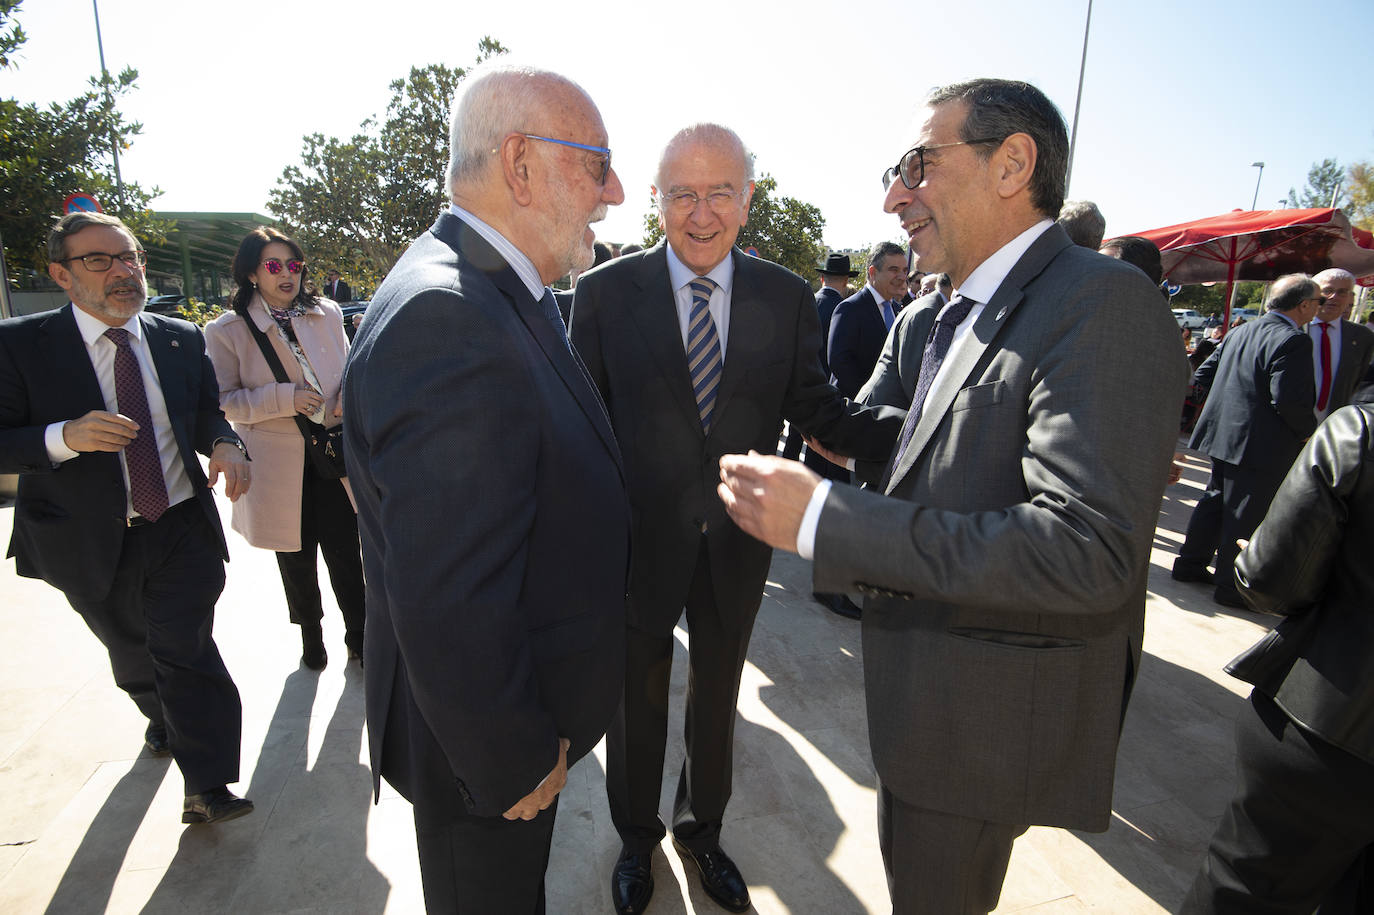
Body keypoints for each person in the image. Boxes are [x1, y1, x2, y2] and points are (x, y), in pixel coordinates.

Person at [717, 78, 1185, 913]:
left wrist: (825, 516)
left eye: (918, 165)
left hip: (980, 721)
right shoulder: (951, 311)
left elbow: (1088, 549)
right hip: (924, 696)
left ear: (1013, 164)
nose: (896, 196)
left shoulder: (1101, 303)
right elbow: (945, 443)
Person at [569, 122, 902, 915]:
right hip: (636, 546)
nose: (702, 211)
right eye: (682, 192)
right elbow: (576, 423)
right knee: (637, 702)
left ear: (748, 199)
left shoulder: (787, 298)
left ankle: (702, 829)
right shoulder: (606, 294)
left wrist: (917, 435)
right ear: (656, 202)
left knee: (717, 701)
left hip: (736, 544)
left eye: (721, 191)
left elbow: (817, 406)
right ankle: (636, 839)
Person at [341, 63, 629, 913]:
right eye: (597, 163)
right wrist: (510, 753)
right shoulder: (453, 315)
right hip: (487, 748)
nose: (613, 192)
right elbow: (451, 592)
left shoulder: (488, 283)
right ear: (522, 163)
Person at [0, 212, 254, 824]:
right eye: (100, 260)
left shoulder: (177, 338)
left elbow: (202, 413)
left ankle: (208, 784)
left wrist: (223, 442)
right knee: (133, 653)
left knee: (185, 647)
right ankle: (158, 715)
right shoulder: (18, 345)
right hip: (81, 538)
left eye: (130, 256)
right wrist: (64, 436)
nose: (123, 271)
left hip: (178, 526)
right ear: (61, 274)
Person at [1181, 403, 1374, 914]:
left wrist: (1252, 557)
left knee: (1246, 892)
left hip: (1331, 727)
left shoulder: (1359, 432)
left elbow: (1270, 579)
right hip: (1339, 727)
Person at [205, 227, 365, 671]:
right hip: (278, 466)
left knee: (346, 553)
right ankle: (311, 636)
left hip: (332, 455)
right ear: (253, 273)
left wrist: (344, 395)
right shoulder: (227, 330)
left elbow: (353, 366)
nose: (286, 275)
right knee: (295, 558)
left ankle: (360, 635)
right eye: (274, 266)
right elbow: (222, 399)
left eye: (293, 265)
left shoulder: (327, 313)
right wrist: (284, 397)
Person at [1172, 275, 1320, 607]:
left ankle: (1190, 564)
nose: (1318, 309)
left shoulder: (1242, 330)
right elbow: (1288, 399)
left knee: (1213, 502)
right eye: (1318, 302)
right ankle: (1230, 586)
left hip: (1224, 434)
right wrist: (1307, 432)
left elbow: (1204, 373)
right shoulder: (1294, 340)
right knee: (1244, 515)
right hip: (1260, 442)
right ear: (1304, 305)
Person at [781, 251, 856, 461]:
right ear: (846, 280)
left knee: (793, 442)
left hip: (794, 386)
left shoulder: (803, 302)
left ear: (822, 278)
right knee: (818, 451)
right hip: (823, 389)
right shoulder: (845, 309)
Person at [1307, 267, 1374, 422]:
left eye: (1342, 292)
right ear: (1314, 294)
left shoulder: (1362, 337)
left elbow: (1356, 382)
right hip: (1287, 428)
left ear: (1351, 297)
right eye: (1328, 290)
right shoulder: (1293, 330)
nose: (1334, 297)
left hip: (1333, 425)